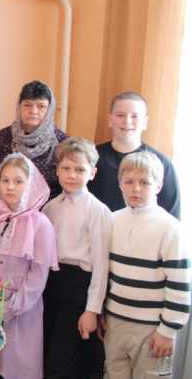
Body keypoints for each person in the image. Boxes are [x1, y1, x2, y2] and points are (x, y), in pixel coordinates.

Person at [0, 153, 58, 379]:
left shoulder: (40, 224)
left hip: (21, 306)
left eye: (18, 181)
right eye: (5, 180)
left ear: (30, 184)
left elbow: (38, 275)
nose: (10, 187)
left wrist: (12, 306)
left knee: (15, 361)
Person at [103, 152, 190, 378]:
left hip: (153, 328)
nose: (136, 189)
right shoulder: (112, 220)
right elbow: (106, 274)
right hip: (115, 321)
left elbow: (180, 285)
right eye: (129, 182)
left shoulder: (170, 228)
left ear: (158, 186)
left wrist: (168, 331)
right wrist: (104, 312)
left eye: (145, 182)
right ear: (120, 184)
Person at [42, 138, 113, 379]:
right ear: (57, 170)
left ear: (92, 173)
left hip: (79, 287)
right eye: (66, 168)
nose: (72, 175)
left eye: (80, 169)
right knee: (45, 349)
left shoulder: (98, 211)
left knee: (62, 358)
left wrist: (92, 310)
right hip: (51, 283)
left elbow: (101, 265)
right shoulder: (50, 208)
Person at [0, 80, 67, 218]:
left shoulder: (61, 142)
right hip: (3, 218)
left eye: (41, 106)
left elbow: (66, 187)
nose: (33, 111)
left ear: (50, 109)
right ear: (19, 107)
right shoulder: (2, 137)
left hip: (46, 219)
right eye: (27, 105)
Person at [89, 92, 180, 218]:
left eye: (135, 116)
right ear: (110, 120)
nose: (127, 121)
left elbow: (172, 215)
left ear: (145, 122)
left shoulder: (162, 163)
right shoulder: (91, 158)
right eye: (120, 115)